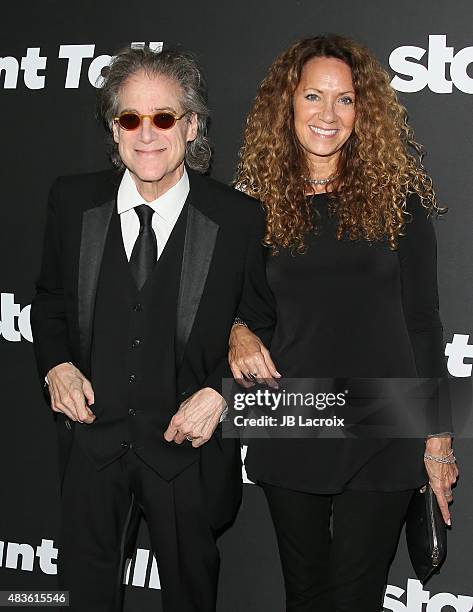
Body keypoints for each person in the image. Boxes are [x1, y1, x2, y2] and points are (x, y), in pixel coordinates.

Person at [31, 45, 273, 612]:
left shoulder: (236, 219)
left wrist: (221, 392)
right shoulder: (71, 202)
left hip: (184, 455)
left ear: (191, 126)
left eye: (163, 117)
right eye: (130, 118)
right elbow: (49, 301)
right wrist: (56, 365)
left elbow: (261, 319)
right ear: (113, 130)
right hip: (93, 447)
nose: (147, 134)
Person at [228, 35, 459, 612]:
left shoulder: (395, 201)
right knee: (304, 595)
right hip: (292, 412)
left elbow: (424, 323)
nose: (328, 115)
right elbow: (232, 304)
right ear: (288, 103)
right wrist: (236, 330)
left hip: (383, 420)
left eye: (345, 99)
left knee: (354, 599)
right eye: (313, 96)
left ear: (365, 111)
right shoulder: (252, 206)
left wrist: (438, 439)